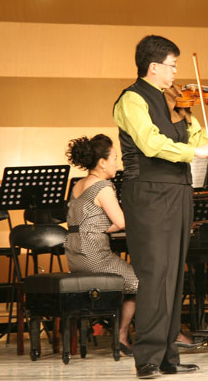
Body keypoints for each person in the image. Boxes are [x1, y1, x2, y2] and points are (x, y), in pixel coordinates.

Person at [113, 35, 208, 378]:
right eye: (172, 66)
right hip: (148, 193)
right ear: (153, 67)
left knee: (173, 275)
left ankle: (167, 356)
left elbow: (202, 140)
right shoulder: (131, 99)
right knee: (154, 274)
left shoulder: (177, 101)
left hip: (178, 192)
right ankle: (147, 357)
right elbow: (150, 143)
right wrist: (195, 152)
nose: (176, 72)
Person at [64, 134, 137, 356]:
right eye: (115, 158)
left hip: (75, 254)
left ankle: (120, 331)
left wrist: (98, 228)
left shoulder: (78, 185)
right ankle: (121, 337)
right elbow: (121, 222)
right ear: (102, 162)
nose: (118, 163)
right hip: (94, 254)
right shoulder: (102, 186)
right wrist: (104, 229)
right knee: (140, 283)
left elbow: (85, 221)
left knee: (126, 281)